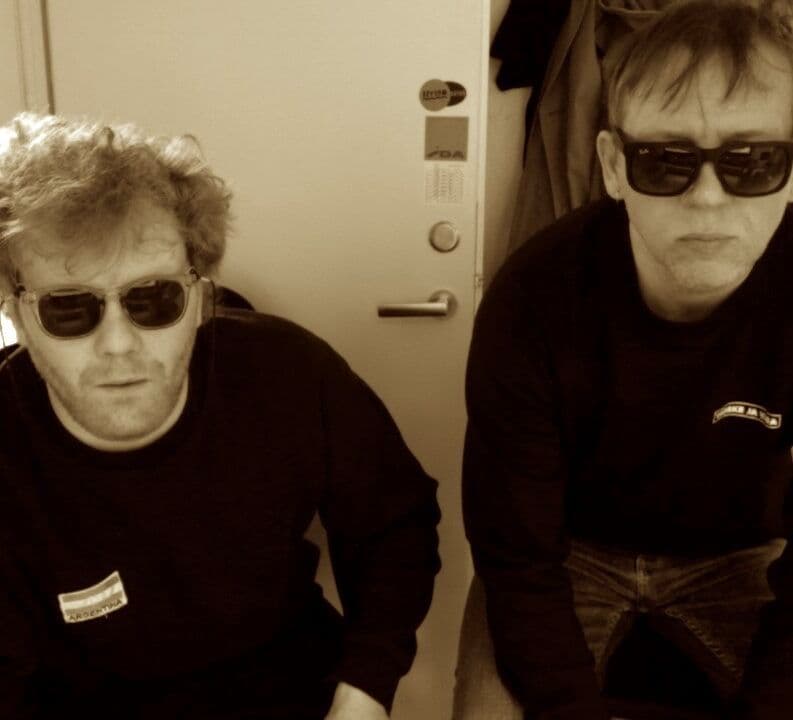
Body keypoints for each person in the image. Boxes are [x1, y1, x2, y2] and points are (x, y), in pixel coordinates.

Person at [0, 112, 441, 719]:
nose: (118, 344)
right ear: (18, 318)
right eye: (69, 309)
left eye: (153, 299)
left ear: (200, 299)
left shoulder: (289, 374)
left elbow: (394, 525)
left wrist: (365, 690)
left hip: (291, 686)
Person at [455, 1, 793, 718]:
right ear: (612, 166)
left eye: (753, 162)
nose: (707, 199)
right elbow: (517, 553)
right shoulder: (532, 300)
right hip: (569, 552)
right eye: (664, 162)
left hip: (741, 553)